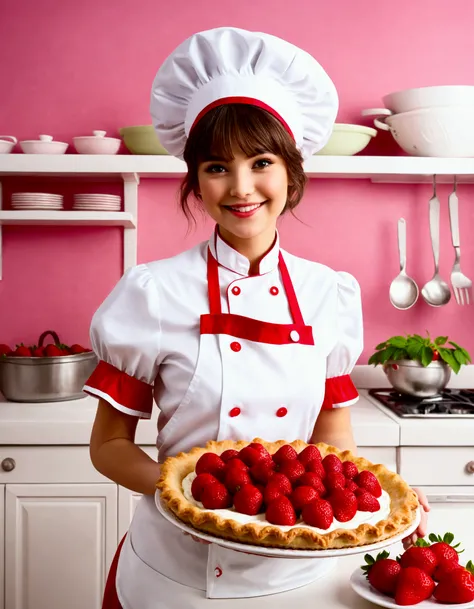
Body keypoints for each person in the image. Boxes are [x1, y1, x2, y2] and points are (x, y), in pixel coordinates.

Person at [84, 26, 429, 609]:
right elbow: (108, 446)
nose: (240, 188)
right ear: (195, 179)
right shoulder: (153, 293)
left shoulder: (328, 295)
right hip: (173, 567)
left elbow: (331, 436)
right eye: (217, 167)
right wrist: (185, 498)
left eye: (261, 161)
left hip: (294, 566)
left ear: (291, 172)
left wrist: (375, 499)